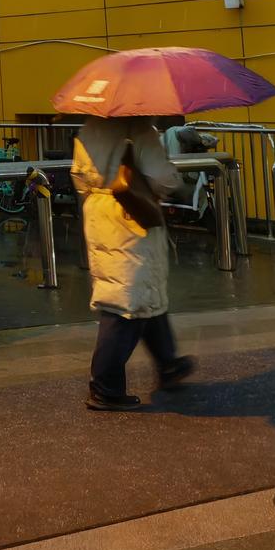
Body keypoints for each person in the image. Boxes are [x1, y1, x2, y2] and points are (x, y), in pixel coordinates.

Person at [72, 114, 197, 410]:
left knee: (140, 293)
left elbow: (78, 176)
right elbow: (163, 179)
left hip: (99, 211)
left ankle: (167, 362)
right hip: (131, 216)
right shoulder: (140, 131)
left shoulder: (90, 128)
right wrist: (173, 179)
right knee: (125, 302)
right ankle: (105, 387)